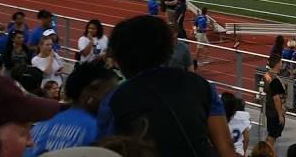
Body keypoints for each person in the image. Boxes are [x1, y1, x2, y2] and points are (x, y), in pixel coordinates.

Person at [97, 15, 235, 157]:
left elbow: (106, 149)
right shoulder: (202, 86)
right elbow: (226, 147)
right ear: (168, 49)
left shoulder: (114, 99)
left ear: (120, 58)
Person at [28, 59, 118, 155]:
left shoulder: (40, 125)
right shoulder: (98, 131)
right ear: (92, 90)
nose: (114, 98)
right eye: (110, 92)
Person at [263, 55, 286, 148]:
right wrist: (280, 115)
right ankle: (267, 153)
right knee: (272, 136)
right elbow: (276, 98)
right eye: (280, 62)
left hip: (270, 110)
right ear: (276, 64)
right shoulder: (275, 80)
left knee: (271, 135)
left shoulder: (267, 75)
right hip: (275, 112)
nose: (281, 64)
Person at [222, 92, 252, 156]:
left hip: (225, 151)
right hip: (239, 152)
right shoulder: (243, 119)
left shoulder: (222, 119)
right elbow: (247, 138)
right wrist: (243, 152)